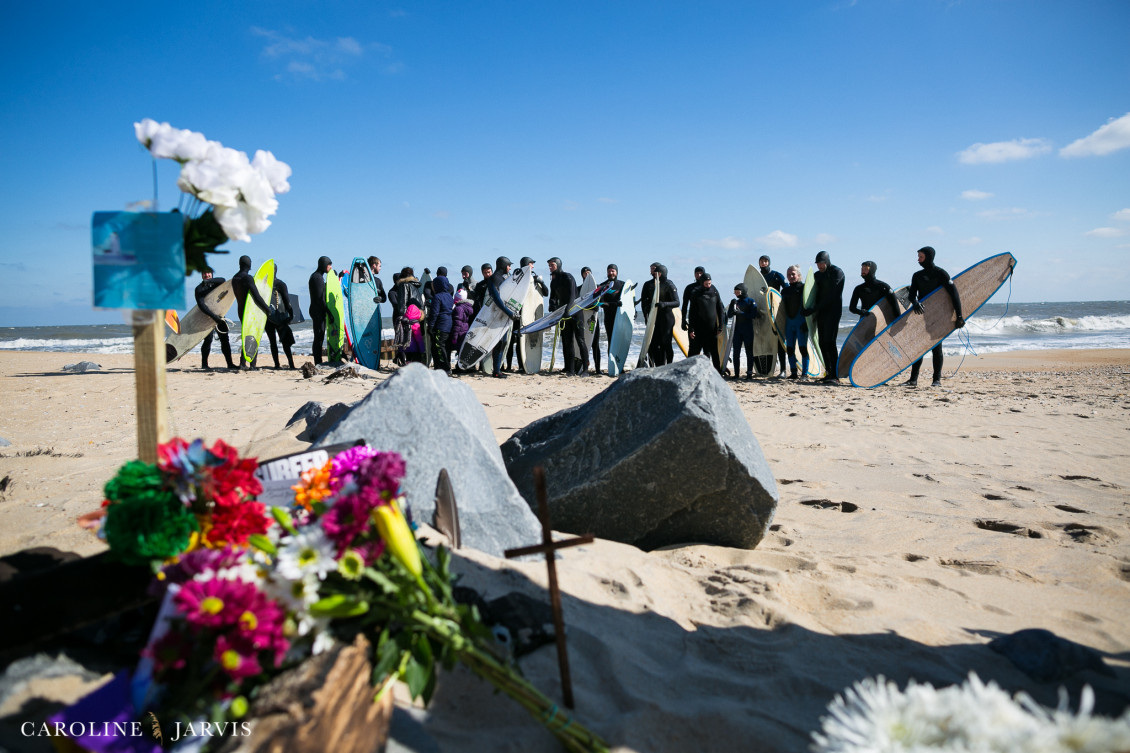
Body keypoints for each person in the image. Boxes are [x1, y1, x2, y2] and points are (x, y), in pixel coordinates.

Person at [904, 246, 965, 388]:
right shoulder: (917, 275)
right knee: (918, 347)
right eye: (918, 257)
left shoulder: (941, 274)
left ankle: (936, 379)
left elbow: (954, 295)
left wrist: (959, 316)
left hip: (938, 316)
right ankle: (913, 379)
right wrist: (915, 303)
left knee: (936, 348)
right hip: (921, 316)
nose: (918, 260)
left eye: (921, 257)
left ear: (929, 257)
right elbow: (911, 295)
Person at [803, 251, 845, 383]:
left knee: (830, 342)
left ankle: (835, 375)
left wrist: (814, 309)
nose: (819, 266)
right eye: (818, 264)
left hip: (833, 311)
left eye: (821, 263)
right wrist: (811, 311)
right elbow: (812, 295)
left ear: (827, 261)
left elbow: (832, 295)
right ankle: (828, 372)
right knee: (821, 342)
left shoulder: (837, 273)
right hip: (821, 312)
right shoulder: (817, 276)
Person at [506, 257, 549, 372]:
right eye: (531, 264)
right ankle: (512, 366)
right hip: (517, 315)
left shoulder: (534, 278)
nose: (533, 266)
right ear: (526, 265)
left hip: (529, 315)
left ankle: (524, 365)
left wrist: (541, 282)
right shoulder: (517, 278)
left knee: (526, 340)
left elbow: (546, 293)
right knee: (513, 341)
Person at [231, 255, 272, 369]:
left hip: (240, 309)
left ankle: (242, 363)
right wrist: (267, 308)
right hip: (250, 311)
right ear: (249, 265)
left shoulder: (234, 278)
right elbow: (256, 296)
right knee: (253, 336)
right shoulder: (247, 278)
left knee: (246, 336)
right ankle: (252, 365)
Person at [486, 256, 521, 377]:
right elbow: (496, 299)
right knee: (500, 342)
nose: (510, 267)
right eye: (509, 265)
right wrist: (509, 312)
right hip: (497, 315)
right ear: (503, 266)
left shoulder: (502, 278)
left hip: (503, 314)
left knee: (503, 342)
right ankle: (496, 371)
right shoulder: (495, 278)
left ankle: (497, 370)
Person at [548, 257, 582, 375]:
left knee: (576, 341)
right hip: (563, 313)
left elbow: (572, 295)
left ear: (558, 265)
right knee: (566, 341)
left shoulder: (568, 277)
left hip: (574, 313)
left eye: (552, 265)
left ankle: (573, 370)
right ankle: (567, 367)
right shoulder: (554, 281)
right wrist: (552, 306)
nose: (550, 267)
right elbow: (552, 297)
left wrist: (568, 310)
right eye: (549, 265)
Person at [195, 270, 235, 371]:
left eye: (208, 273)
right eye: (204, 273)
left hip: (220, 316)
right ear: (202, 275)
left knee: (225, 340)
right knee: (208, 341)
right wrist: (213, 316)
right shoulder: (199, 289)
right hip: (207, 317)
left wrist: (208, 282)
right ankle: (204, 364)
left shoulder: (217, 284)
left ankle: (230, 364)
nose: (206, 274)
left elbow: (223, 280)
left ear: (212, 274)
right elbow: (201, 306)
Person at [687, 272, 725, 373]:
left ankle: (718, 373)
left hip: (712, 328)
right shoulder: (696, 292)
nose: (708, 286)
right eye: (706, 284)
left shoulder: (714, 291)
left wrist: (720, 326)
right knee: (694, 352)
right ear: (702, 282)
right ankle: (690, 372)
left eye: (710, 283)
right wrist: (691, 328)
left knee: (714, 353)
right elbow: (692, 312)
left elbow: (720, 309)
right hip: (699, 328)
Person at [592, 263, 625, 375]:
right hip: (609, 318)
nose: (611, 273)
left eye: (613, 271)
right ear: (607, 272)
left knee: (620, 342)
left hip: (621, 318)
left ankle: (620, 366)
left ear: (617, 272)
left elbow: (629, 301)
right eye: (609, 271)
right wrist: (613, 304)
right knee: (612, 341)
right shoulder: (603, 286)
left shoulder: (622, 285)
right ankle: (612, 366)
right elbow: (599, 302)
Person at [759, 255, 787, 376]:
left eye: (765, 261)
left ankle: (783, 370)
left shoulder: (777, 275)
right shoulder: (758, 277)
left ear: (769, 262)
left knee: (779, 340)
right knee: (765, 340)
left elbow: (785, 289)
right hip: (762, 312)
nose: (763, 263)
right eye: (761, 261)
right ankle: (767, 368)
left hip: (775, 311)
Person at [648, 264, 680, 366]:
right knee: (655, 344)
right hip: (657, 318)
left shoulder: (669, 284)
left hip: (667, 318)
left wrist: (664, 304)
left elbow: (677, 302)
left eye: (656, 272)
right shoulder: (657, 284)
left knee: (666, 343)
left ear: (660, 273)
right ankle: (659, 365)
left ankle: (670, 364)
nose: (654, 274)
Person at [782, 265, 810, 379]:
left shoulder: (804, 288)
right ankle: (793, 373)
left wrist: (808, 323)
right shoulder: (785, 290)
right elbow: (779, 310)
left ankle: (804, 373)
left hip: (801, 322)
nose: (791, 276)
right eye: (789, 274)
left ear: (798, 275)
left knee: (802, 348)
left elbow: (810, 305)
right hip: (789, 323)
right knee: (789, 349)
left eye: (793, 274)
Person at [392, 267, 424, 366]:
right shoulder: (415, 286)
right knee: (417, 341)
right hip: (417, 317)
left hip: (407, 317)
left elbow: (402, 303)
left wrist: (401, 316)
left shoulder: (404, 285)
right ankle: (417, 362)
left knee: (407, 341)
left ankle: (409, 363)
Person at [264, 269, 296, 369]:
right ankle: (291, 364)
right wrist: (291, 315)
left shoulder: (263, 285)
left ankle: (277, 364)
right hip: (280, 317)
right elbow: (287, 301)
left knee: (272, 342)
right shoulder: (280, 284)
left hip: (267, 317)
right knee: (285, 342)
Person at [728, 282, 758, 379]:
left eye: (738, 291)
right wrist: (732, 306)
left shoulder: (750, 301)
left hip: (748, 330)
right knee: (736, 352)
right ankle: (736, 374)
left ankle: (749, 374)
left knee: (749, 352)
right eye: (735, 292)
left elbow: (753, 315)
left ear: (743, 291)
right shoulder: (736, 302)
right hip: (737, 331)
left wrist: (741, 313)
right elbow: (729, 315)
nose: (736, 294)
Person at [427, 271, 454, 375]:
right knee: (444, 347)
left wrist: (431, 326)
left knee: (438, 346)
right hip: (449, 323)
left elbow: (434, 313)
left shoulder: (437, 297)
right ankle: (440, 367)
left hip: (440, 324)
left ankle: (445, 369)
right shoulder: (449, 296)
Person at [308, 256, 332, 365]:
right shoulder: (317, 278)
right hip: (317, 310)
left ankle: (318, 361)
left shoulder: (318, 277)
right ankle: (318, 362)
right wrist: (329, 313)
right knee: (318, 337)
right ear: (324, 265)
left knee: (320, 336)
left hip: (317, 309)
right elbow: (320, 299)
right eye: (329, 265)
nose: (330, 267)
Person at [449, 288, 475, 369]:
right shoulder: (466, 307)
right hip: (465, 330)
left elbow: (457, 323)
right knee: (463, 350)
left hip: (459, 331)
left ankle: (460, 367)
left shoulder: (458, 308)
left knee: (459, 350)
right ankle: (464, 366)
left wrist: (454, 336)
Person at [680, 266, 705, 334]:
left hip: (706, 320)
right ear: (694, 274)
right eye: (697, 273)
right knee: (693, 343)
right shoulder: (689, 288)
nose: (699, 275)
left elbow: (717, 304)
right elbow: (685, 305)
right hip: (694, 319)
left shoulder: (710, 288)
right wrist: (683, 320)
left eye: (701, 273)